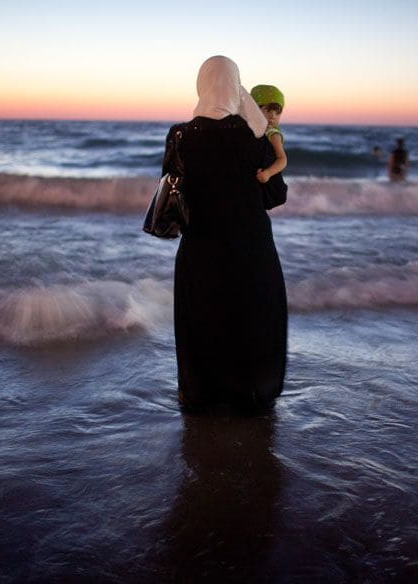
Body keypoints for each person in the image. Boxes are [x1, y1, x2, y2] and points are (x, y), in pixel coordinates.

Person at [165, 55, 288, 412]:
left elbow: (172, 190)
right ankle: (254, 393)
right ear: (236, 88)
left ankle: (202, 394)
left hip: (201, 245)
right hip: (251, 245)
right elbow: (276, 194)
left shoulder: (180, 137)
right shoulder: (253, 136)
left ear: (202, 85)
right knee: (253, 315)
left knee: (203, 316)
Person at [250, 84, 287, 184]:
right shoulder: (252, 128)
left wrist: (268, 173)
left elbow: (282, 159)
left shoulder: (273, 134)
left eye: (277, 112)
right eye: (267, 110)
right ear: (254, 109)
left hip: (267, 177)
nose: (272, 116)